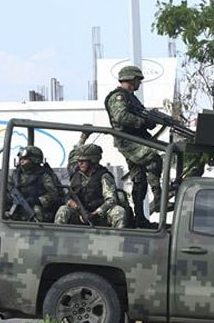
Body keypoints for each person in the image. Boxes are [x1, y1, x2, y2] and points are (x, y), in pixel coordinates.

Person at [104, 65, 162, 228]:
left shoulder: (130, 97)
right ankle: (158, 198)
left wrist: (150, 121)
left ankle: (140, 218)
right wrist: (142, 122)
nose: (139, 83)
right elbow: (121, 116)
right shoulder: (119, 97)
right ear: (130, 79)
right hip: (128, 141)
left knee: (139, 180)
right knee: (153, 159)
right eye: (138, 80)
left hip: (136, 139)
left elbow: (137, 115)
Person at [55, 144, 127, 228]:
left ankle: (116, 240)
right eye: (78, 161)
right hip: (79, 214)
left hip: (100, 215)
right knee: (63, 210)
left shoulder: (104, 176)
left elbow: (111, 200)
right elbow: (68, 194)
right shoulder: (75, 174)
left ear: (92, 161)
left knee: (119, 212)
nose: (80, 164)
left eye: (83, 161)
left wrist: (95, 213)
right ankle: (58, 240)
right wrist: (70, 202)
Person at [6, 145, 60, 222]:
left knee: (36, 210)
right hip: (16, 203)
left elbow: (53, 194)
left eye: (25, 159)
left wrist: (37, 200)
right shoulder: (16, 174)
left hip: (37, 207)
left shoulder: (44, 175)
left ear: (34, 160)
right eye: (21, 159)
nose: (22, 161)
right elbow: (6, 187)